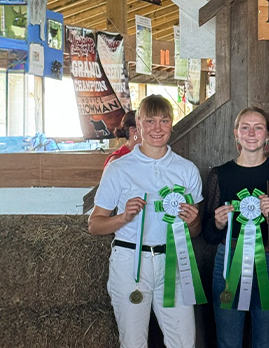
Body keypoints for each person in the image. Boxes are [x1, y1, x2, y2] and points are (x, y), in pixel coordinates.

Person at [88, 94, 203, 348]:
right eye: (150, 121)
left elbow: (194, 231)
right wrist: (124, 217)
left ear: (171, 125)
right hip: (130, 261)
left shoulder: (187, 170)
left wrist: (193, 221)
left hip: (174, 260)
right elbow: (95, 225)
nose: (157, 128)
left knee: (183, 342)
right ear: (137, 124)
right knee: (133, 342)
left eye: (164, 121)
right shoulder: (118, 168)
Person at [202, 108, 269, 348]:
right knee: (228, 341)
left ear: (268, 135)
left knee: (267, 341)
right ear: (236, 134)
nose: (252, 133)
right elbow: (208, 234)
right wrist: (218, 223)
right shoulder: (220, 174)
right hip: (229, 258)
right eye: (245, 127)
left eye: (258, 127)